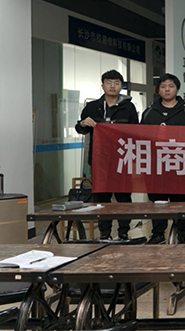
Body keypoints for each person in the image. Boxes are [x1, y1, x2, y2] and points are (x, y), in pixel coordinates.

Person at [75, 69, 139, 241]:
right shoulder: (92, 107)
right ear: (102, 86)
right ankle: (105, 233)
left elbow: (136, 132)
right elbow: (80, 128)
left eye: (116, 83)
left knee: (123, 197)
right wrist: (83, 123)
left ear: (121, 86)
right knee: (102, 199)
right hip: (99, 160)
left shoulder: (129, 107)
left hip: (122, 160)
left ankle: (123, 232)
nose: (112, 86)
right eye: (109, 83)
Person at [140, 73, 185, 244]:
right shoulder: (149, 112)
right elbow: (141, 137)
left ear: (177, 89)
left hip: (180, 165)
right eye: (163, 86)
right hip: (155, 166)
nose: (167, 89)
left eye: (171, 86)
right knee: (158, 202)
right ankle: (158, 234)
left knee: (179, 201)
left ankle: (182, 235)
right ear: (158, 90)